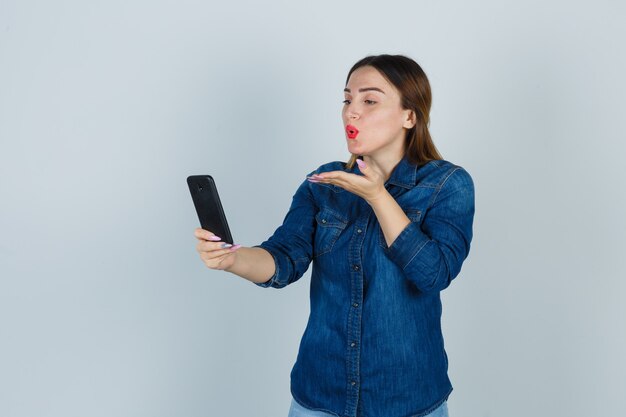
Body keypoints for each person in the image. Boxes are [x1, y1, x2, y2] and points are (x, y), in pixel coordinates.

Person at [194, 54, 475, 417]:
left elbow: (434, 273)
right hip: (320, 396)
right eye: (347, 100)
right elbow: (283, 260)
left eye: (369, 100)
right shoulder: (323, 184)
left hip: (407, 400)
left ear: (410, 115)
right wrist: (233, 258)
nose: (350, 112)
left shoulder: (447, 184)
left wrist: (377, 195)